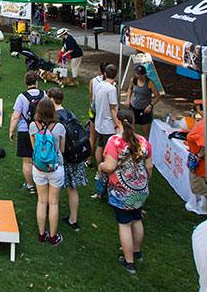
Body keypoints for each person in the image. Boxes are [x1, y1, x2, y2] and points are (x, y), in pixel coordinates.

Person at [100, 108, 153, 274]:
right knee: (137, 219)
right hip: (140, 189)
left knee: (124, 224)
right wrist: (145, 183)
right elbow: (149, 167)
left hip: (122, 191)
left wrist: (101, 166)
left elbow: (109, 167)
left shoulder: (114, 142)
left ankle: (129, 261)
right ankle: (137, 251)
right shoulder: (143, 141)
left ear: (117, 122)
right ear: (134, 122)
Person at [51, 89, 89, 232]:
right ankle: (73, 219)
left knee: (54, 188)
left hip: (63, 156)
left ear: (53, 100)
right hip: (75, 155)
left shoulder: (54, 117)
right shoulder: (69, 113)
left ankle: (50, 211)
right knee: (72, 188)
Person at [29, 97, 66, 245]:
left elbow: (34, 148)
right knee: (54, 203)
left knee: (42, 201)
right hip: (55, 167)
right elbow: (62, 150)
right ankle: (53, 236)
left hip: (39, 168)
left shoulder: (33, 126)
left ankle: (41, 233)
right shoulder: (59, 127)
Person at [9, 71, 47, 194]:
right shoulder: (44, 95)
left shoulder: (22, 97)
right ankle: (42, 183)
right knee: (41, 157)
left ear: (26, 83)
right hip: (42, 130)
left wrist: (11, 130)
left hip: (25, 131)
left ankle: (30, 185)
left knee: (27, 160)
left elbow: (15, 116)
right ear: (37, 82)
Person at [92, 64, 120, 194]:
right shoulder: (111, 89)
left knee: (100, 145)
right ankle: (106, 172)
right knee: (110, 151)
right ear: (116, 75)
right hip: (108, 124)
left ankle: (99, 170)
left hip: (99, 121)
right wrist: (117, 124)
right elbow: (113, 108)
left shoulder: (99, 85)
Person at [125, 64, 161, 137]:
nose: (139, 76)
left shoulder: (150, 83)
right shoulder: (133, 80)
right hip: (134, 107)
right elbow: (130, 89)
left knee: (145, 132)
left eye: (141, 74)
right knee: (131, 130)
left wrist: (150, 105)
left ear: (145, 74)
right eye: (137, 74)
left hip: (145, 109)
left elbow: (157, 96)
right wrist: (128, 99)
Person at [88, 61, 110, 165]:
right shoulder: (113, 84)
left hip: (95, 111)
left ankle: (89, 160)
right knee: (105, 140)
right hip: (107, 114)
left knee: (92, 137)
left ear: (100, 70)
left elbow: (91, 98)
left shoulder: (93, 81)